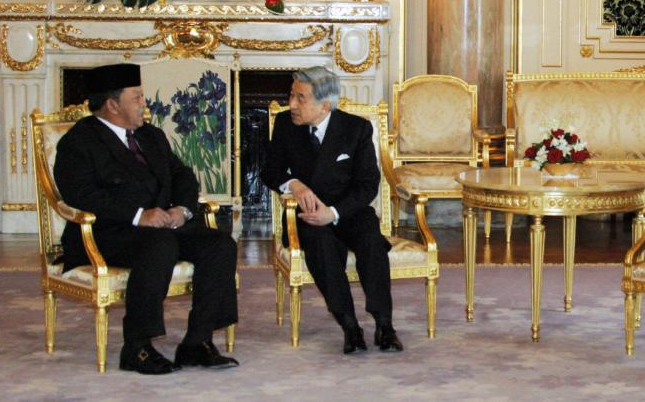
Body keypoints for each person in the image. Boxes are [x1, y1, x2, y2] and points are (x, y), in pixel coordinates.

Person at [53, 63, 239, 375]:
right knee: (160, 243)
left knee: (219, 244)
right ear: (113, 105)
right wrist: (139, 216)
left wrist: (182, 209)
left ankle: (197, 341)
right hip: (107, 233)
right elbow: (81, 194)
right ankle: (136, 347)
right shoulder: (79, 141)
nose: (145, 103)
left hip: (161, 227)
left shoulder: (151, 136)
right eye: (137, 97)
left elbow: (183, 176)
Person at [263, 66, 402, 354]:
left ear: (325, 105)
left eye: (300, 99)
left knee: (373, 243)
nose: (292, 105)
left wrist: (334, 213)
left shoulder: (356, 128)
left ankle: (384, 325)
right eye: (291, 96)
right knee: (322, 245)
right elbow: (270, 170)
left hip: (347, 211)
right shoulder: (285, 126)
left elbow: (368, 185)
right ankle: (350, 326)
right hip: (308, 217)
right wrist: (294, 184)